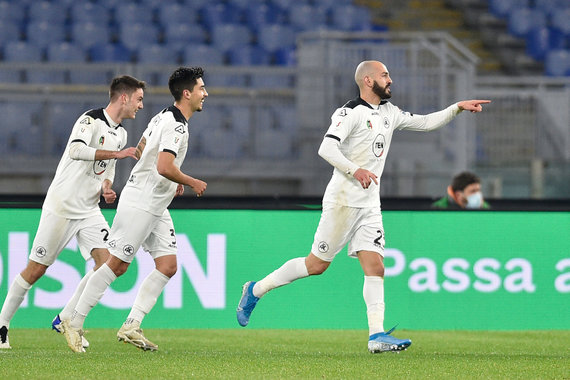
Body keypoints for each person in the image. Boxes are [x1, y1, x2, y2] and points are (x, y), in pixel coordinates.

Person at [236, 60, 491, 353]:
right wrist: (355, 169)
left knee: (376, 266)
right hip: (343, 202)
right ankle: (255, 289)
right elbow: (326, 148)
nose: (390, 79)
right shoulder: (349, 113)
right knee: (316, 265)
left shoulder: (389, 112)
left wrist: (457, 107)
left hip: (370, 204)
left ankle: (376, 336)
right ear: (368, 80)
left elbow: (424, 122)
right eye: (385, 75)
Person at [61, 66, 208, 353]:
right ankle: (73, 321)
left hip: (155, 201)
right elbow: (163, 165)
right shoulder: (176, 125)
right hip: (142, 201)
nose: (206, 93)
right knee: (116, 265)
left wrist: (168, 178)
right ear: (187, 93)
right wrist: (189, 181)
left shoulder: (162, 116)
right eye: (202, 89)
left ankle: (131, 324)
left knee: (168, 266)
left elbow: (142, 148)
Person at [0, 75, 145, 349]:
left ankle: (65, 317)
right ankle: (1, 324)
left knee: (109, 265)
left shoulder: (122, 133)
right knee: (36, 269)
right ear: (123, 97)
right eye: (138, 99)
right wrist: (116, 154)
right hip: (62, 205)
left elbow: (107, 172)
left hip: (89, 209)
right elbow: (77, 150)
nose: (140, 105)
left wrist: (105, 188)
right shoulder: (89, 120)